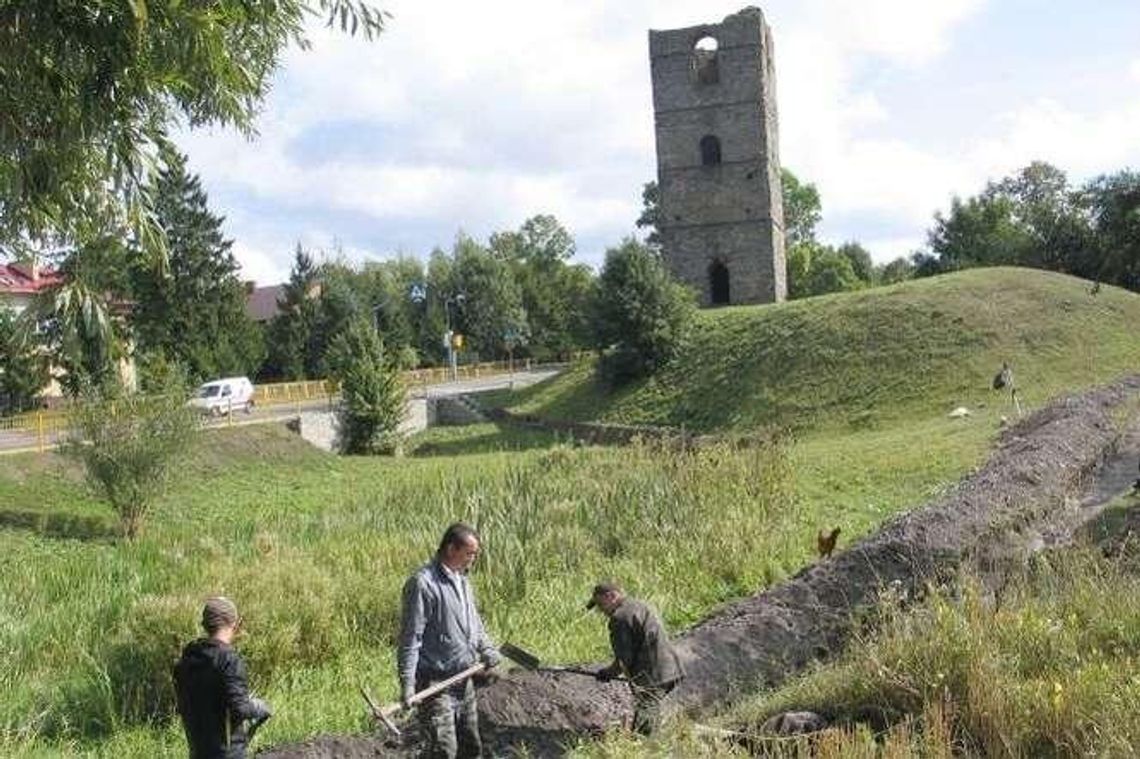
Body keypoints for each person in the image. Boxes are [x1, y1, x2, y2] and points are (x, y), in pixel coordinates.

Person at [398, 523, 501, 758]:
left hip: (464, 680)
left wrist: (486, 647)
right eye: (469, 553)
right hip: (435, 685)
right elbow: (410, 638)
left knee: (471, 747)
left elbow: (474, 624)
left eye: (474, 554)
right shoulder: (423, 584)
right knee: (444, 750)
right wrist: (407, 684)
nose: (472, 559)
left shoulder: (462, 580)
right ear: (451, 548)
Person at [173, 596, 272, 759]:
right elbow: (239, 708)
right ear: (233, 623)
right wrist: (258, 707)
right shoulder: (228, 660)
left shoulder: (188, 658)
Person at [588, 581, 684, 736]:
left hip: (652, 674)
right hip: (668, 667)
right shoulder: (639, 605)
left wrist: (608, 673)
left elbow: (624, 658)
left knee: (645, 721)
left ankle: (646, 749)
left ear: (611, 596)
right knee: (648, 711)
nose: (601, 610)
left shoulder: (620, 618)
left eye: (600, 604)